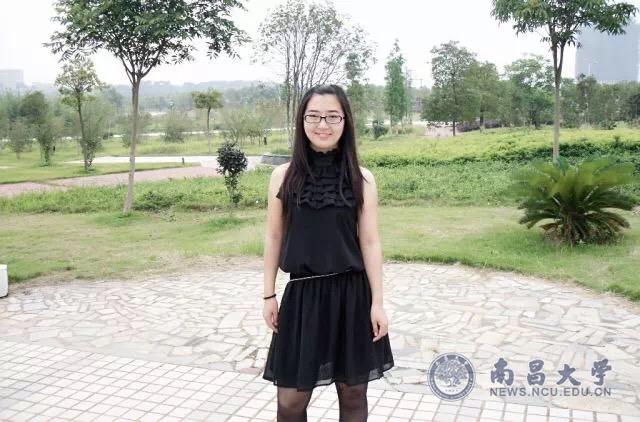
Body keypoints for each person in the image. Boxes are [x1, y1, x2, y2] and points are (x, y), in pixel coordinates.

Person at [261, 84, 394, 421]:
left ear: (346, 121)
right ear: (302, 121)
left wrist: (378, 302)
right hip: (302, 298)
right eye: (314, 116)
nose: (323, 124)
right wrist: (268, 295)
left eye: (333, 116)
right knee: (290, 402)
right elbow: (274, 237)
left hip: (352, 297)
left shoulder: (362, 179)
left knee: (353, 395)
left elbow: (370, 242)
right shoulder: (282, 176)